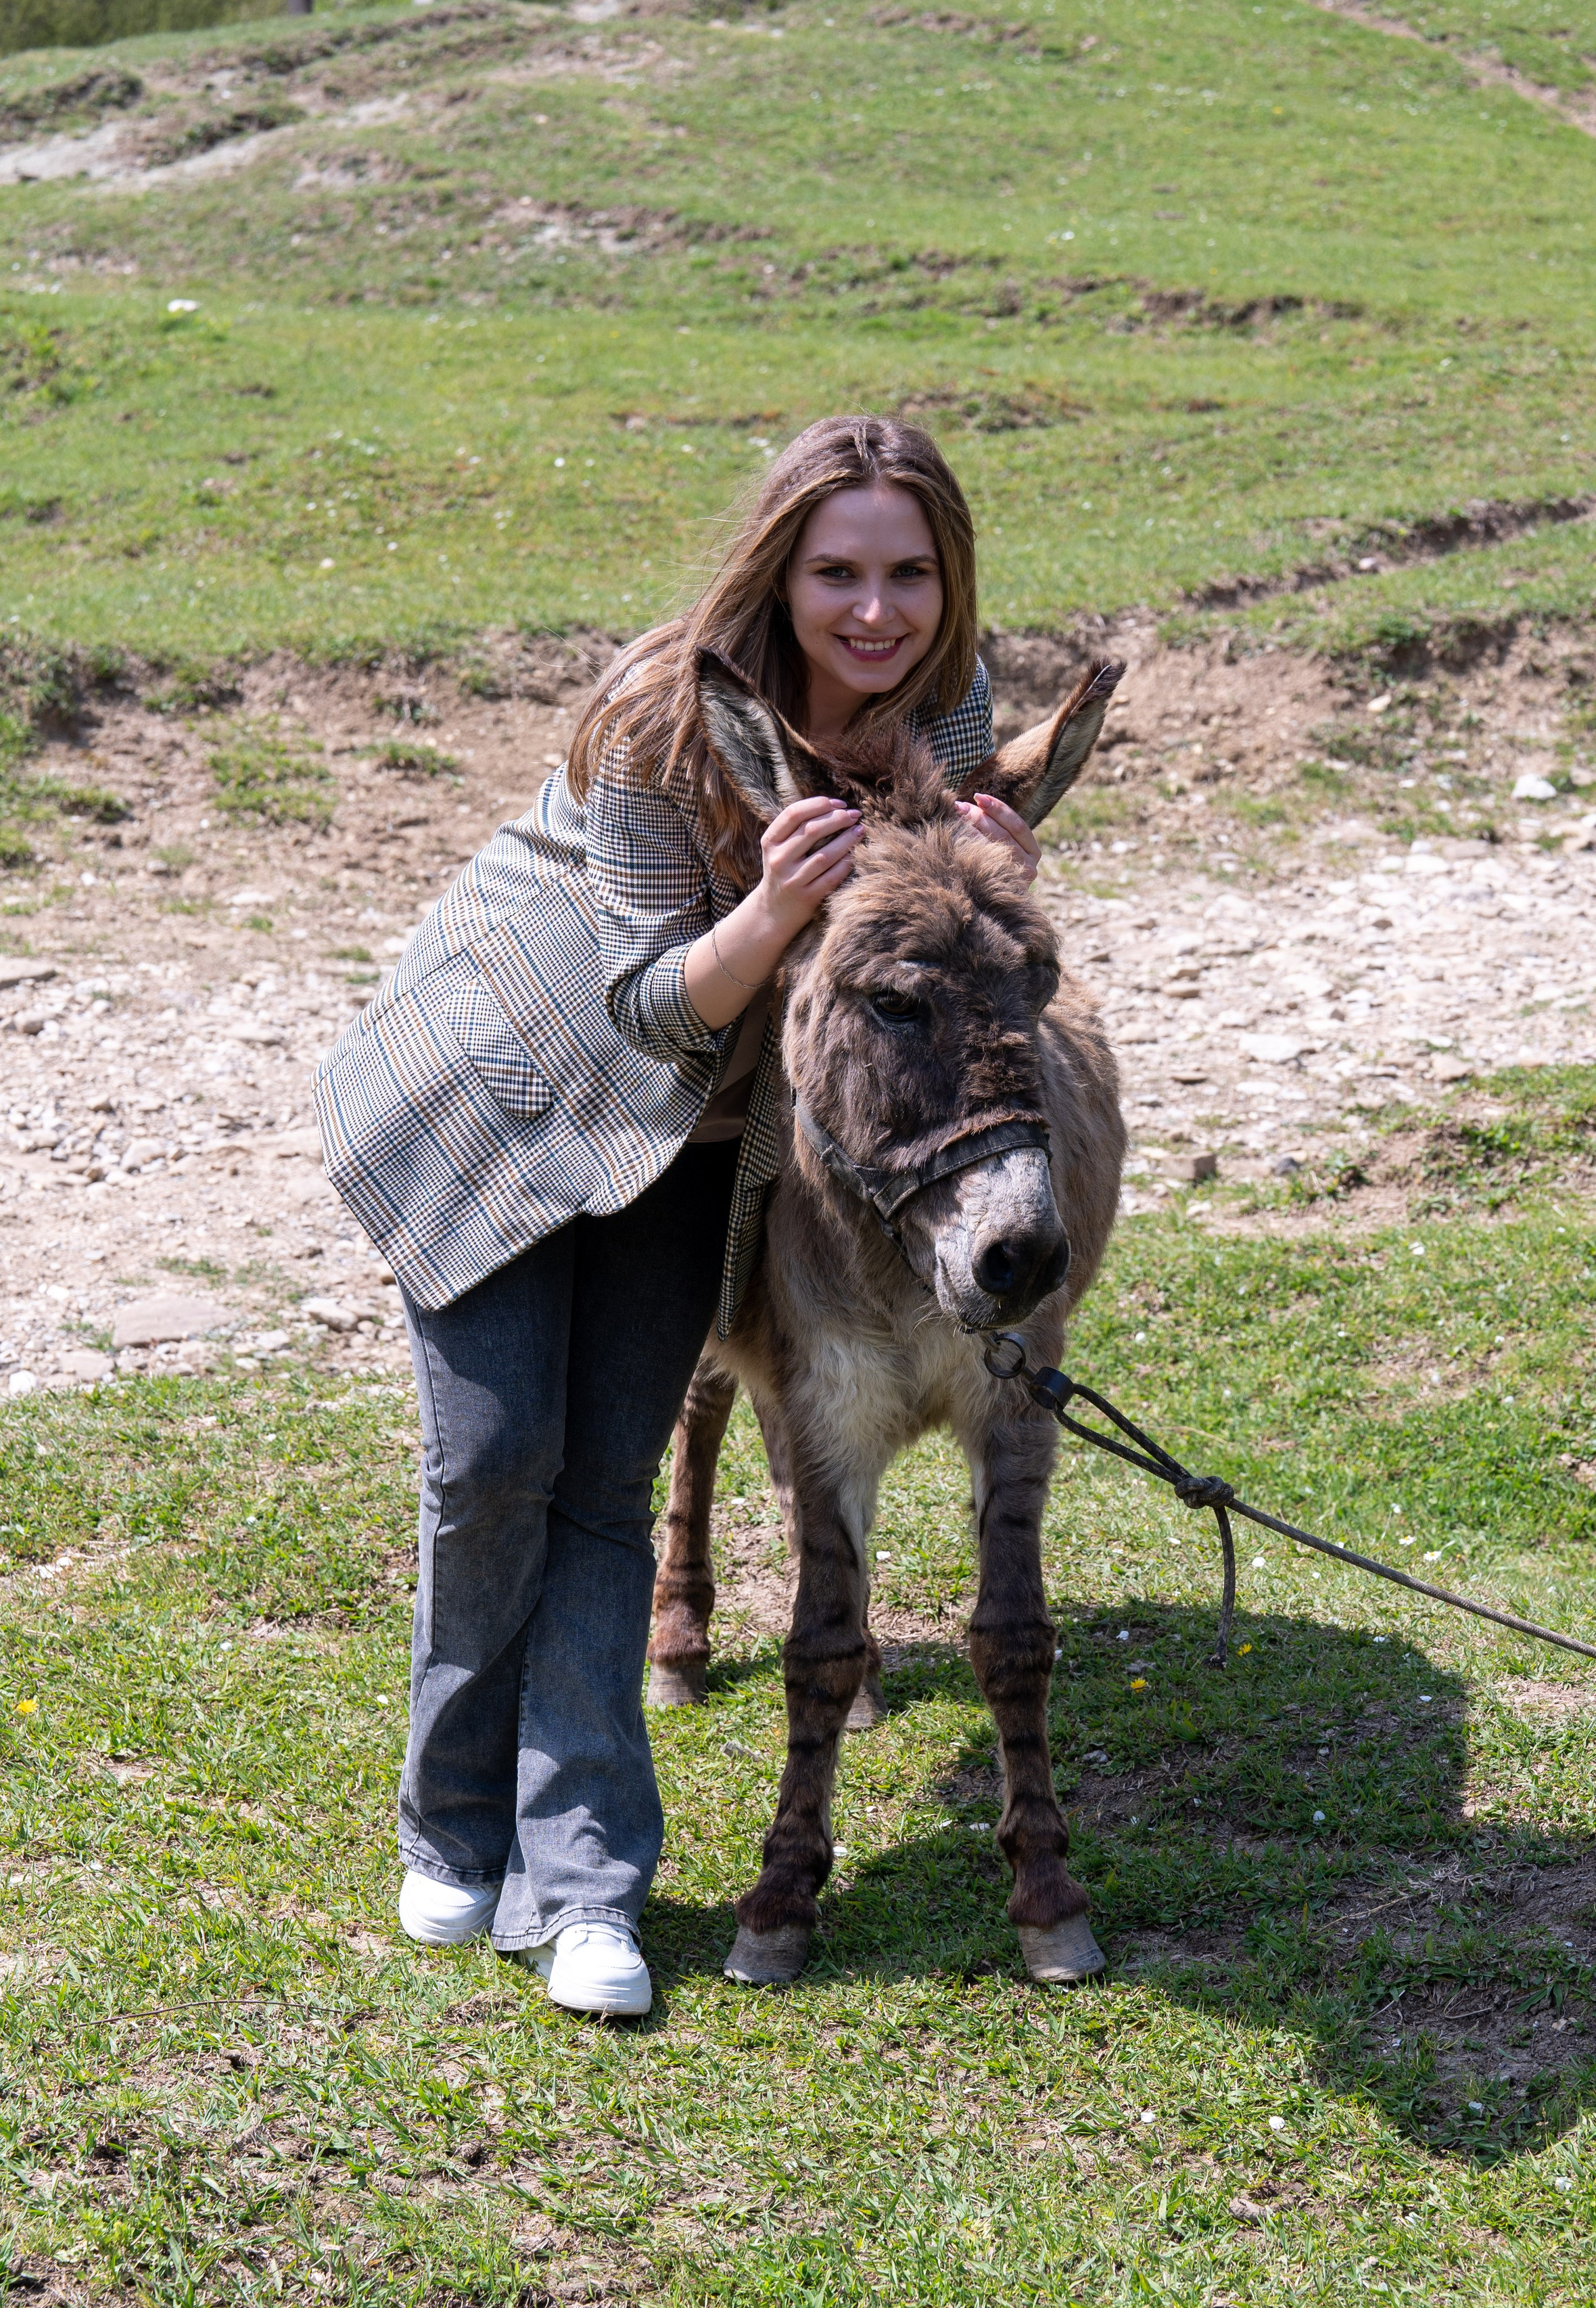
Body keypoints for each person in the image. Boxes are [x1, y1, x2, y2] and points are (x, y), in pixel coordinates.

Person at [314, 415, 1041, 2018]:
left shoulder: (950, 702)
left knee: (604, 1483)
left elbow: (921, 935)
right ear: (779, 572)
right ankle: (452, 1819)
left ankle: (581, 1887)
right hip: (508, 1090)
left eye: (909, 574)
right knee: (492, 1460)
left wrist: (994, 870)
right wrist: (776, 902)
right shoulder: (663, 712)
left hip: (696, 1137)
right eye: (836, 573)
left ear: (950, 580)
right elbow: (652, 1001)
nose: (875, 611)